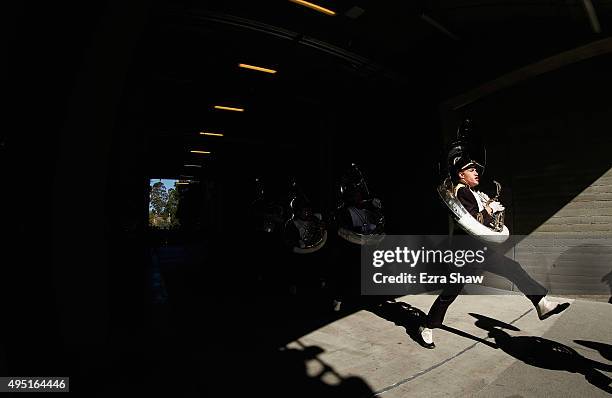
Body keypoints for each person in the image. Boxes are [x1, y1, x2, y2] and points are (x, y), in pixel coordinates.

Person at [417, 156, 570, 349]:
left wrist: (489, 209)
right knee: (451, 291)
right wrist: (489, 208)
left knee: (511, 269)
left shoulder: (471, 192)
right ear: (461, 174)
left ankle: (541, 303)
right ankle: (427, 326)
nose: (476, 172)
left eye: (476, 169)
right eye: (471, 170)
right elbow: (474, 220)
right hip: (465, 251)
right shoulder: (462, 191)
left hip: (477, 249)